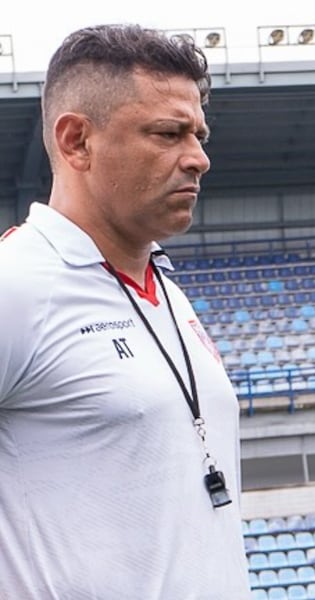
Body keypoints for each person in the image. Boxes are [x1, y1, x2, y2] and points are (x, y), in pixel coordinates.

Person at [0, 25, 250, 599]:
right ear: (76, 142)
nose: (200, 159)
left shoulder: (165, 289)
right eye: (169, 133)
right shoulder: (17, 285)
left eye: (199, 135)